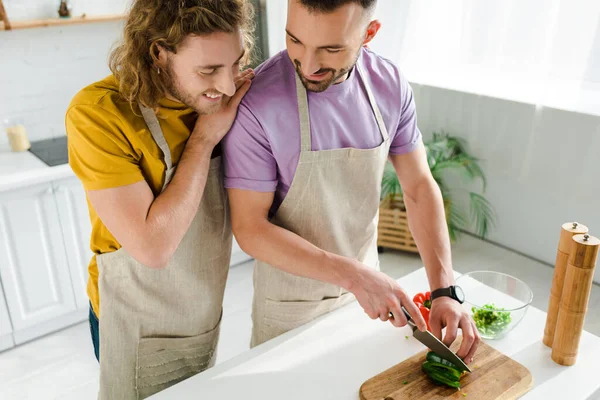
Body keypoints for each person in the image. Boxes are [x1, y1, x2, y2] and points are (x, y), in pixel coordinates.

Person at [223, 0, 480, 364]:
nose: (308, 65)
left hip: (371, 293)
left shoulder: (388, 85)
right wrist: (355, 277)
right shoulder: (256, 104)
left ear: (369, 34)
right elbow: (249, 228)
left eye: (331, 48)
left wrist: (445, 289)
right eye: (294, 40)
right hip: (290, 305)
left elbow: (420, 186)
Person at [64, 0, 255, 398]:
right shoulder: (100, 114)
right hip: (134, 323)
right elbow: (153, 248)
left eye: (235, 63)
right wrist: (203, 140)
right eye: (208, 70)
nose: (226, 86)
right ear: (157, 53)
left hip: (202, 314)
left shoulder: (228, 97)